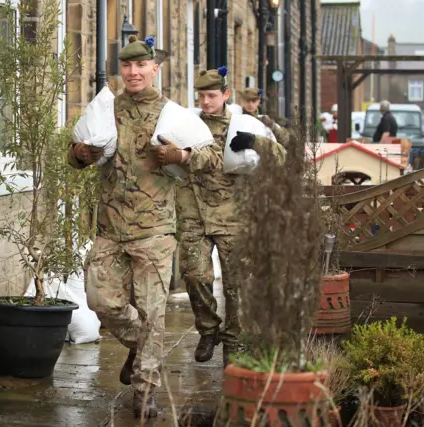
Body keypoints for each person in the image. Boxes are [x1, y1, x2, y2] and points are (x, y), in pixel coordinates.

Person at [68, 35, 221, 418]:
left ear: (155, 68)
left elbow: (212, 156)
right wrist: (78, 155)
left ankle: (145, 392)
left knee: (154, 313)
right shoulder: (106, 110)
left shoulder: (173, 114)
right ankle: (139, 346)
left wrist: (180, 155)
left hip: (154, 232)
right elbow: (77, 153)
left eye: (141, 66)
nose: (133, 73)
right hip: (109, 227)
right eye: (126, 66)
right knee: (101, 301)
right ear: (120, 70)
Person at [179, 68, 286, 364]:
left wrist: (254, 143)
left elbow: (282, 156)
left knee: (237, 284)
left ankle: (234, 342)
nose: (205, 101)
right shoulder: (191, 124)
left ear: (226, 95)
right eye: (201, 95)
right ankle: (208, 329)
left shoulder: (244, 124)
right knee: (194, 274)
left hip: (234, 216)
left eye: (211, 95)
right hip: (195, 214)